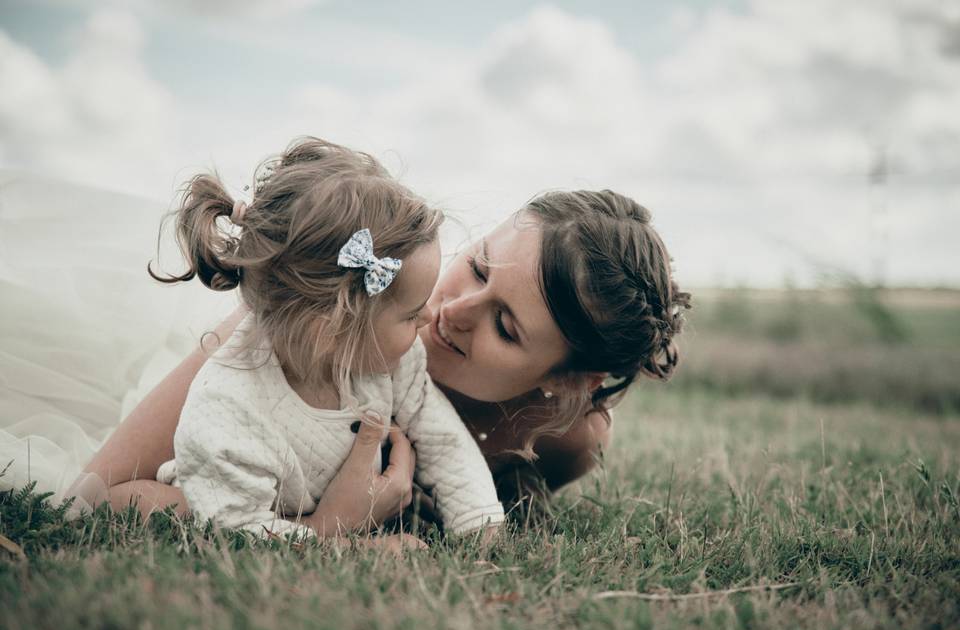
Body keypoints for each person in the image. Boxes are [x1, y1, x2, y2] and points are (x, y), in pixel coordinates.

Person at [68, 176, 691, 543]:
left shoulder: (564, 439)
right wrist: (326, 524)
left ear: (566, 383)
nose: (451, 312)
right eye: (475, 266)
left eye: (504, 325)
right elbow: (99, 491)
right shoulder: (327, 320)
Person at [73, 137, 506, 542]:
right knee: (162, 508)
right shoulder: (231, 412)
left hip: (296, 497)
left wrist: (478, 519)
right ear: (332, 330)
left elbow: (441, 435)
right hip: (216, 496)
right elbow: (241, 531)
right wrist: (334, 538)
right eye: (412, 314)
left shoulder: (396, 360)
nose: (429, 318)